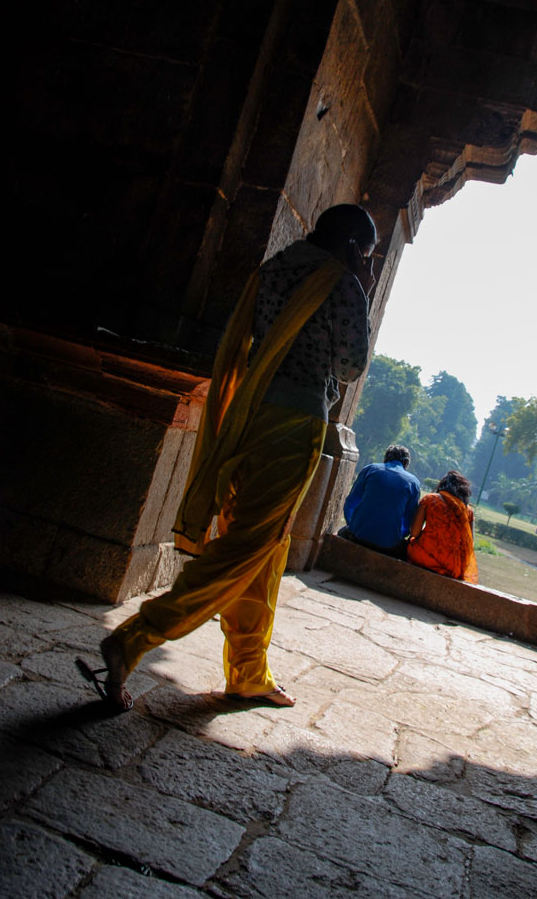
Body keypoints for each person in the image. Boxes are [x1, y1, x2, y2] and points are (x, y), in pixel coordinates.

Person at [76, 204, 377, 711]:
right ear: (349, 245)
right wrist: (354, 291)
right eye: (365, 253)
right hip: (294, 423)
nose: (365, 264)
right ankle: (133, 639)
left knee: (263, 547)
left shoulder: (273, 270)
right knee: (247, 547)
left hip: (246, 416)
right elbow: (350, 366)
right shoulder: (340, 283)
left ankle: (248, 672)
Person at [339, 445, 420, 558]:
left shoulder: (370, 469)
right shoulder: (413, 483)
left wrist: (354, 526)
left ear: (386, 458)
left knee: (341, 532)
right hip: (388, 546)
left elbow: (350, 504)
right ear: (406, 463)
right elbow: (408, 523)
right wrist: (392, 536)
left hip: (358, 536)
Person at [407, 470, 478, 583]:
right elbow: (470, 544)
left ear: (442, 485)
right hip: (453, 566)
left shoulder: (430, 499)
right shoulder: (468, 511)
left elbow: (414, 532)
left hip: (425, 556)